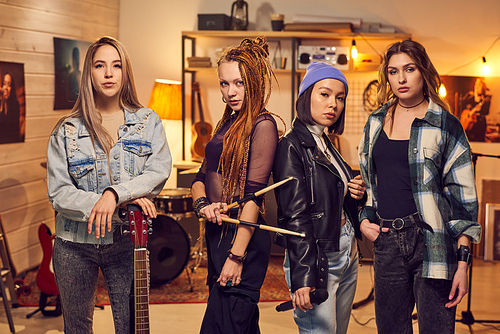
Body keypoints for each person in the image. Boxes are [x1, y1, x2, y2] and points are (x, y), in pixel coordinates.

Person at [46, 36, 171, 333]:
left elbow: (158, 171)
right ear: (88, 72)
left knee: (131, 326)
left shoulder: (147, 121)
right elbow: (59, 193)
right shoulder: (67, 130)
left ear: (125, 72)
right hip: (74, 244)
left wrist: (115, 194)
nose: (108, 73)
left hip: (127, 241)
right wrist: (102, 201)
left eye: (116, 65)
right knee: (77, 328)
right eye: (100, 65)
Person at [358, 39, 481, 333]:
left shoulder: (445, 125)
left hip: (432, 243)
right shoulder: (375, 123)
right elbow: (369, 186)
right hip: (387, 242)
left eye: (409, 69)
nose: (401, 78)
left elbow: (463, 203)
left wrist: (463, 264)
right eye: (393, 71)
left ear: (422, 71)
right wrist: (364, 218)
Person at [191, 37, 280, 333]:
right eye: (224, 84)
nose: (231, 92)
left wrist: (236, 256)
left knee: (224, 324)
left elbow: (253, 198)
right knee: (235, 325)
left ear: (253, 81)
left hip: (243, 240)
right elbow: (200, 178)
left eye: (239, 83)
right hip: (218, 234)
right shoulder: (225, 124)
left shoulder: (262, 124)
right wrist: (203, 206)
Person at [273, 61, 367, 334]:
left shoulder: (325, 142)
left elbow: (329, 198)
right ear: (306, 97)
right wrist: (303, 276)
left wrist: (354, 193)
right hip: (318, 257)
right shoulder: (290, 146)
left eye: (340, 98)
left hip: (346, 248)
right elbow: (295, 216)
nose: (333, 104)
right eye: (324, 94)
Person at [460, 77, 491, 142]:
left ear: (483, 87)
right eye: (476, 84)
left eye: (479, 85)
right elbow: (463, 111)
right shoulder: (469, 98)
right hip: (468, 127)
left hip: (479, 126)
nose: (477, 86)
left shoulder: (486, 100)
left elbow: (486, 112)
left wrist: (480, 109)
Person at [0, 72, 23, 143]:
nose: (6, 88)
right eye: (4, 84)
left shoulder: (15, 105)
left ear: (12, 88)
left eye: (9, 85)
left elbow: (15, 131)